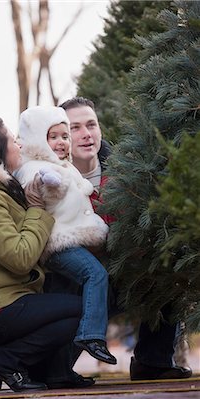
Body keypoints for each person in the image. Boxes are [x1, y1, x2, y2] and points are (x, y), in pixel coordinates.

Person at [0, 118, 94, 394]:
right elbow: (20, 257)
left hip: (0, 303)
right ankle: (5, 362)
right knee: (84, 310)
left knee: (73, 307)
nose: (19, 144)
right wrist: (37, 210)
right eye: (12, 140)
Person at [58, 96, 192, 381]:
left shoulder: (126, 170)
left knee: (168, 267)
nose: (86, 134)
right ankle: (56, 365)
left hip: (128, 272)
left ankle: (152, 362)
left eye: (91, 125)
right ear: (61, 136)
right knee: (52, 372)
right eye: (76, 128)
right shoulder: (52, 180)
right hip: (75, 282)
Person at [15, 105, 116, 365]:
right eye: (53, 137)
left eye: (63, 137)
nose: (61, 143)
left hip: (73, 239)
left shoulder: (64, 166)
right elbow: (39, 184)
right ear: (39, 140)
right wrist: (50, 181)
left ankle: (59, 370)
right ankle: (91, 335)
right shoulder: (36, 167)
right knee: (95, 274)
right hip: (57, 242)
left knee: (81, 288)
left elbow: (79, 185)